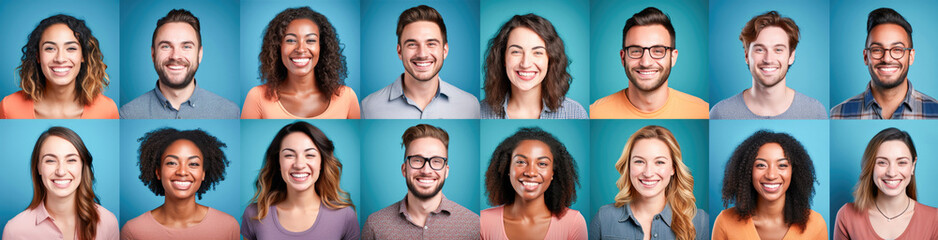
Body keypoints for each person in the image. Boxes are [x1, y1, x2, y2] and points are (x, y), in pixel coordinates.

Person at [241, 122, 359, 239]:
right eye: (289, 155)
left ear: (322, 162)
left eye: (310, 155)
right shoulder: (254, 214)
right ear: (278, 162)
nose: (299, 165)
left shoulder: (345, 216)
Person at [589, 125, 709, 240]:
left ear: (673, 168)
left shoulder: (700, 221)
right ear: (628, 166)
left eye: (660, 162)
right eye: (639, 161)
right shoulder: (603, 218)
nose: (648, 173)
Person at [360, 5, 480, 119]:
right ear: (400, 51)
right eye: (412, 44)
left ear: (444, 50)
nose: (422, 54)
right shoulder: (369, 107)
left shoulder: (470, 105)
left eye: (431, 44)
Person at [362, 124, 479, 239]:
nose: (426, 170)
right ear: (404, 169)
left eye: (436, 161)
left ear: (446, 171)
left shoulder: (473, 225)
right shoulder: (375, 225)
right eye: (417, 160)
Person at [590, 7, 708, 119]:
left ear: (673, 57)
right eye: (636, 51)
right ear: (623, 57)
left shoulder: (702, 111)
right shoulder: (595, 113)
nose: (646, 62)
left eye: (657, 51)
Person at [120, 128, 239, 240]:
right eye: (172, 163)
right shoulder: (133, 231)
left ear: (203, 173)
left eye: (193, 164)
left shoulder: (228, 226)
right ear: (158, 172)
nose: (182, 172)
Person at [120, 9, 240, 119]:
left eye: (186, 46)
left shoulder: (229, 113)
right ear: (153, 54)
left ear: (199, 54)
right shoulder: (127, 114)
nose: (175, 56)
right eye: (166, 46)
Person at [242, 7, 360, 119]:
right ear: (277, 47)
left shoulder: (347, 97)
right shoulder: (257, 97)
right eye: (291, 40)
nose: (301, 49)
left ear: (321, 47)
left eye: (310, 40)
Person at [2, 127, 119, 240]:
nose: (61, 171)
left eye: (71, 160)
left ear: (83, 166)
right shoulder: (15, 230)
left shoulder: (108, 222)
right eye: (50, 161)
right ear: (38, 167)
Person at [710, 11, 826, 119]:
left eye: (778, 50)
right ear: (747, 56)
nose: (768, 59)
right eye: (760, 49)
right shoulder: (721, 113)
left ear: (791, 56)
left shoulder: (815, 112)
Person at [712, 130, 827, 239]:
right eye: (761, 165)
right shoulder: (725, 222)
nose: (771, 175)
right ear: (747, 171)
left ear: (794, 172)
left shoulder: (816, 224)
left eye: (782, 165)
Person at [1, 14, 117, 119]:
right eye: (50, 48)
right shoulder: (8, 107)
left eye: (71, 48)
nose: (60, 59)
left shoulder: (107, 109)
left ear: (83, 56)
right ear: (38, 56)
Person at [831, 8, 938, 119]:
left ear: (911, 56)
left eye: (897, 49)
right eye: (877, 49)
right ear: (866, 57)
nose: (887, 59)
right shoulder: (837, 114)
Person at [481, 127, 586, 239]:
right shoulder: (483, 222)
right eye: (521, 162)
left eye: (542, 164)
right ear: (508, 169)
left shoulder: (573, 223)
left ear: (553, 173)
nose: (531, 172)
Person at [833, 128, 938, 239]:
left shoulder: (934, 219)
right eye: (882, 162)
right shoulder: (846, 215)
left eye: (902, 162)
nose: (891, 173)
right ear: (870, 166)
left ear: (912, 166)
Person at [480, 14, 586, 119]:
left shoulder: (575, 112)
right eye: (516, 52)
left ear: (550, 60)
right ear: (503, 58)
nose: (525, 64)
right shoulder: (479, 112)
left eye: (538, 52)